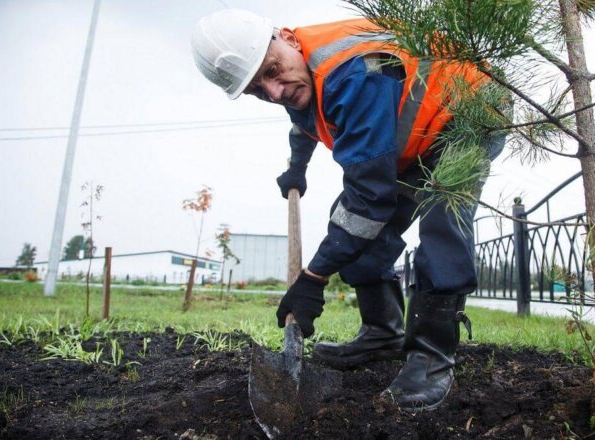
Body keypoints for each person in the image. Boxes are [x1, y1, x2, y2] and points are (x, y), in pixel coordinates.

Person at [191, 9, 504, 412]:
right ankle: (382, 333)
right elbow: (303, 120)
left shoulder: (355, 74)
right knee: (350, 224)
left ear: (287, 38)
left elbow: (371, 200)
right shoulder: (296, 71)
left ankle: (431, 357)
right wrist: (296, 168)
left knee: (441, 223)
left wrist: (313, 278)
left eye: (272, 72)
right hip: (415, 127)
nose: (274, 92)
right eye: (257, 90)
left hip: (467, 112)